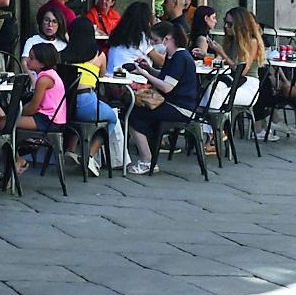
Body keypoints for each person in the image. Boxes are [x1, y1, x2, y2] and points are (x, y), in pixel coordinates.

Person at [126, 23, 198, 174]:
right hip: (178, 104)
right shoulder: (176, 56)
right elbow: (166, 77)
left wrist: (145, 74)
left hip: (180, 107)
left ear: (167, 39)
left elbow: (166, 87)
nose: (153, 44)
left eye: (155, 40)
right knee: (136, 112)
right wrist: (148, 69)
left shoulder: (179, 57)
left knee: (132, 116)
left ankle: (146, 160)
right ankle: (148, 157)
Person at [61, 16, 124, 176]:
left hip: (64, 106)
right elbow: (102, 76)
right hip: (86, 103)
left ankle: (70, 150)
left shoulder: (62, 55)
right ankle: (89, 156)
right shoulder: (99, 55)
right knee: (111, 119)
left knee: (77, 119)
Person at [14, 43, 67, 175]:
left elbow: (33, 107)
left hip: (48, 120)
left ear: (42, 63)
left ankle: (18, 160)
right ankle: (18, 157)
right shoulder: (49, 74)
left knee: (5, 124)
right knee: (7, 123)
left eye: (32, 58)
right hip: (50, 118)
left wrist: (17, 112)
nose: (27, 60)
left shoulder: (44, 79)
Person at [206, 7, 266, 111]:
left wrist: (222, 53)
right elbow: (221, 61)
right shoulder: (232, 40)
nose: (226, 26)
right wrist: (207, 55)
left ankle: (213, 121)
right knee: (210, 90)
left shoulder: (252, 42)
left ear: (239, 25)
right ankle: (212, 120)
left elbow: (242, 71)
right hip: (233, 81)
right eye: (225, 22)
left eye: (230, 24)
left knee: (215, 95)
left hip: (248, 85)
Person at [107, 2, 164, 71]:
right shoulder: (140, 37)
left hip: (111, 74)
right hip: (131, 76)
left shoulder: (118, 32)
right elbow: (161, 62)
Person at [21, 8, 68, 75]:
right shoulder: (32, 41)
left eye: (54, 22)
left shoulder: (63, 44)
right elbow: (24, 63)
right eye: (46, 20)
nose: (50, 24)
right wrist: (32, 78)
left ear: (59, 24)